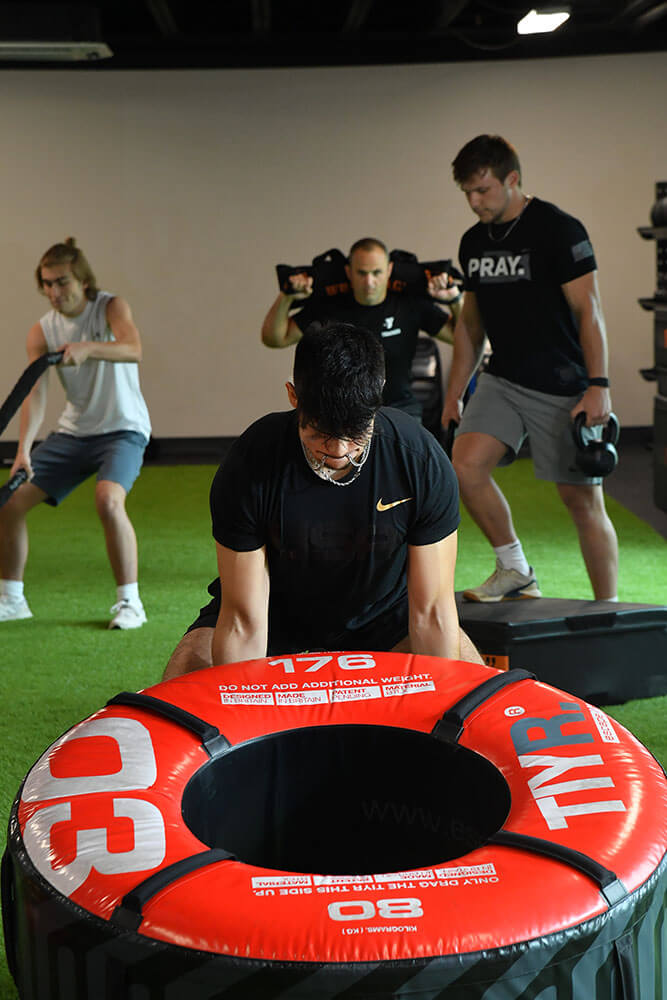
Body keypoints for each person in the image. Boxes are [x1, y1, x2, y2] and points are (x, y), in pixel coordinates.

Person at [165, 322, 481, 679]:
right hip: (273, 612)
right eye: (321, 434)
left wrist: (439, 709)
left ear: (378, 393)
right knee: (188, 671)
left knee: (468, 675)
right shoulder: (251, 463)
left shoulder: (418, 460)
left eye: (355, 434)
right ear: (293, 396)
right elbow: (243, 620)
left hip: (384, 617)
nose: (339, 451)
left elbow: (432, 612)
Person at [442, 134, 618, 603]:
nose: (474, 202)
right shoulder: (473, 242)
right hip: (503, 378)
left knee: (581, 500)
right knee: (465, 466)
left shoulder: (559, 230)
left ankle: (609, 609)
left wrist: (598, 385)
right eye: (468, 193)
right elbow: (471, 323)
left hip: (563, 383)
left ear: (512, 179)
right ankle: (515, 568)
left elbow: (589, 311)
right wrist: (454, 391)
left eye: (483, 190)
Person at [0, 238, 151, 628]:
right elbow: (36, 394)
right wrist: (23, 452)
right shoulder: (43, 330)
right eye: (47, 284)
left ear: (82, 280)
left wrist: (88, 348)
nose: (54, 292)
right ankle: (12, 598)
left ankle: (130, 603)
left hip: (123, 430)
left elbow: (133, 347)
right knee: (10, 503)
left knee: (108, 501)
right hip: (72, 433)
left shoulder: (109, 307)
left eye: (62, 282)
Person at [261, 237, 462, 420]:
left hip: (400, 407)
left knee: (408, 452)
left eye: (376, 273)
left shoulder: (410, 304)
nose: (369, 282)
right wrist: (286, 297)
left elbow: (461, 337)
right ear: (349, 271)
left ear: (389, 270)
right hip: (342, 408)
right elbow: (275, 339)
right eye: (362, 273)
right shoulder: (329, 305)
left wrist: (454, 300)